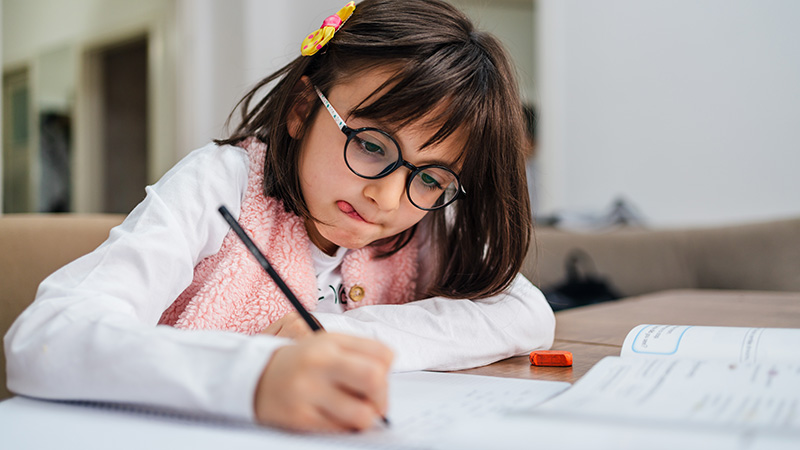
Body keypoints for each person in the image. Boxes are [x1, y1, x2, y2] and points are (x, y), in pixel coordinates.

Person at [4, 0, 554, 433]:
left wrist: (336, 335)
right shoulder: (220, 184)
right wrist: (256, 373)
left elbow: (527, 314)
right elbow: (44, 338)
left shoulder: (420, 218)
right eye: (371, 145)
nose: (387, 198)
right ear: (300, 109)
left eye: (431, 176)